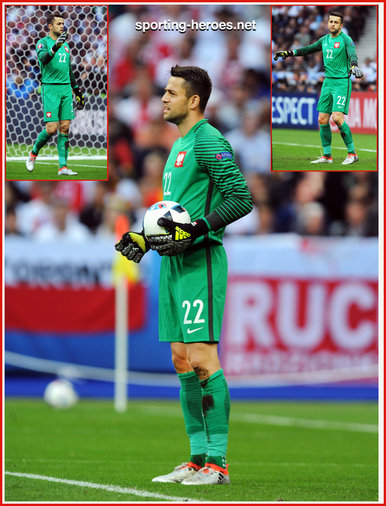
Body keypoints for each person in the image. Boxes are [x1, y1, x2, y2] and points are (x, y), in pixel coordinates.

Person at [115, 65, 253, 485]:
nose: (164, 98)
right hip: (172, 263)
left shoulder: (210, 141)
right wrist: (142, 237)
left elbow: (241, 198)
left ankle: (218, 463)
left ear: (194, 100)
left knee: (202, 357)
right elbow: (172, 213)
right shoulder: (179, 146)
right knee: (180, 359)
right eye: (164, 91)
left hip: (201, 260)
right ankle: (196, 457)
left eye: (172, 92)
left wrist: (197, 229)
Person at [274, 10, 363, 165]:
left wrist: (354, 65)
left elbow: (352, 54)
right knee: (322, 119)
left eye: (336, 22)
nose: (333, 24)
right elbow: (307, 49)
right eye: (331, 21)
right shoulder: (324, 40)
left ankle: (352, 153)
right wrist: (288, 53)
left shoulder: (346, 39)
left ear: (341, 25)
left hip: (341, 82)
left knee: (337, 117)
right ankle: (327, 156)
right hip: (328, 82)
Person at [26, 12, 85, 176]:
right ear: (50, 26)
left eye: (63, 23)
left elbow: (68, 69)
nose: (62, 26)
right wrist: (54, 47)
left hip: (66, 88)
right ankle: (33, 154)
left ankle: (62, 167)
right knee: (51, 128)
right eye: (58, 23)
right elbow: (44, 60)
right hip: (51, 88)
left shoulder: (66, 45)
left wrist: (77, 90)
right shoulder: (42, 43)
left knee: (65, 128)